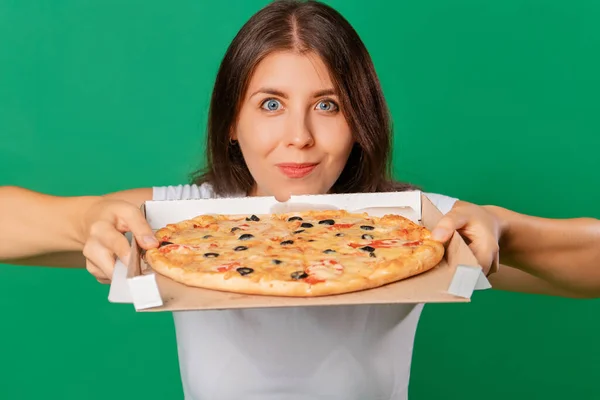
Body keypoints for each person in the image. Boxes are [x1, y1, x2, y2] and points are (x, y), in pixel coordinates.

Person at [1, 1, 599, 399]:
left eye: (328, 104)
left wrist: (504, 227)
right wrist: (82, 220)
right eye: (270, 103)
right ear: (230, 121)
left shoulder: (414, 222)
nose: (299, 137)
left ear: (360, 120)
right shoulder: (181, 219)